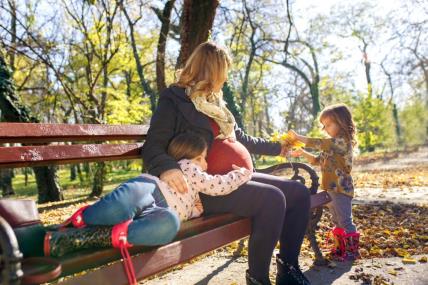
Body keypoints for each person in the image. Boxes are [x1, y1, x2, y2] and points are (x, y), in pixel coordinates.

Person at [142, 41, 311, 285]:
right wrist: (168, 168)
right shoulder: (174, 100)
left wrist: (278, 149)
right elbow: (153, 145)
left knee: (298, 193)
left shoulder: (217, 104)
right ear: (212, 70)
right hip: (207, 187)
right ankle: (258, 278)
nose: (226, 78)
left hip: (235, 177)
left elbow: (240, 138)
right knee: (273, 198)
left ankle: (288, 268)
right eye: (225, 71)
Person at [288, 103, 359, 260]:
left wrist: (298, 137)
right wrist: (302, 152)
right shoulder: (331, 146)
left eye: (328, 124)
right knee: (337, 220)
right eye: (324, 125)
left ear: (341, 122)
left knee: (345, 220)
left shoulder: (342, 142)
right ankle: (340, 249)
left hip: (341, 189)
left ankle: (352, 251)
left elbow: (319, 143)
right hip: (331, 189)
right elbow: (316, 160)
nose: (326, 128)